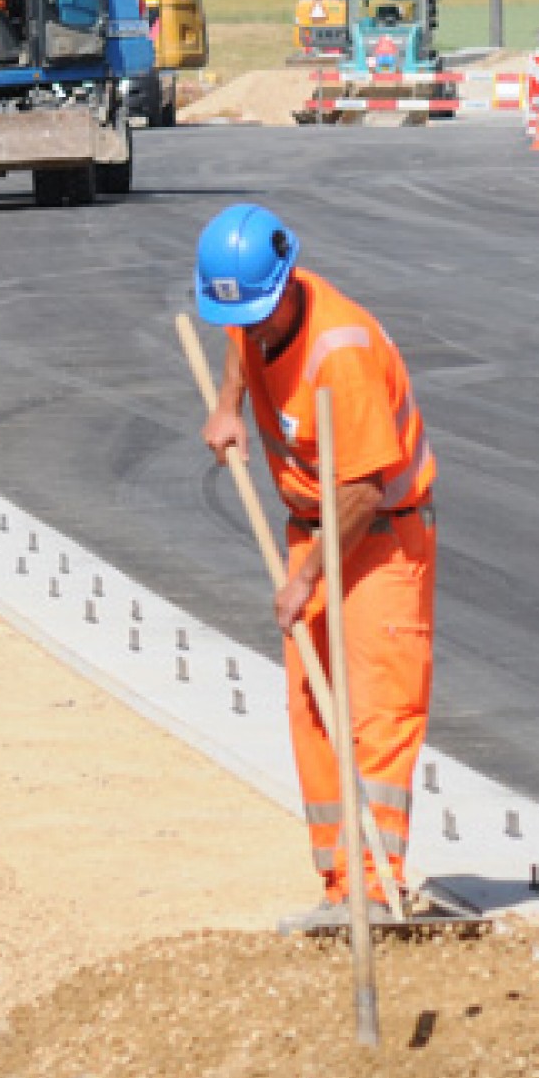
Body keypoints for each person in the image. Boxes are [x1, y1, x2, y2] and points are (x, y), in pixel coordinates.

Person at [196, 205, 436, 927]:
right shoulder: (253, 310)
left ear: (288, 280)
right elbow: (244, 336)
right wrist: (229, 404)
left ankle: (377, 886)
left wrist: (306, 579)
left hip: (380, 537)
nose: (256, 327)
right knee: (313, 708)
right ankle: (341, 887)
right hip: (313, 529)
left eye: (266, 314)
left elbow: (362, 488)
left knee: (375, 713)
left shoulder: (342, 353)